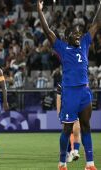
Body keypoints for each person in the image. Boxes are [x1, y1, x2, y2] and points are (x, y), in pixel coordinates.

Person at [38, 0, 101, 169]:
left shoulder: (85, 43)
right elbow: (47, 31)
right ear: (67, 37)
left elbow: (96, 24)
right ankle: (62, 162)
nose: (79, 34)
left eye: (80, 32)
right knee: (67, 130)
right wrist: (39, 11)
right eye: (75, 33)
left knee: (86, 127)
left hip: (84, 91)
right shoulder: (62, 47)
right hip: (70, 93)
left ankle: (90, 164)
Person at [56, 84, 81, 163]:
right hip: (65, 111)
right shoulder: (61, 84)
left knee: (76, 129)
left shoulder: (78, 82)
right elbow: (58, 99)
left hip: (76, 109)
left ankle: (75, 151)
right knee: (67, 131)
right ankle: (68, 152)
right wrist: (59, 113)